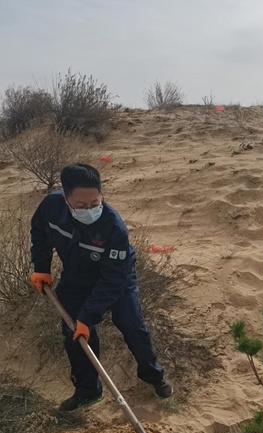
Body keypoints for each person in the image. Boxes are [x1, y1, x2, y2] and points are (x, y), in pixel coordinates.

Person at [30, 163, 173, 412]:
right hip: (76, 276)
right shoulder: (50, 207)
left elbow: (113, 280)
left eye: (95, 203)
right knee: (73, 332)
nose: (90, 210)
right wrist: (41, 267)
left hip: (116, 277)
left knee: (132, 325)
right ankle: (88, 390)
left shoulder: (113, 227)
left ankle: (154, 376)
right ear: (65, 198)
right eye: (82, 206)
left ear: (101, 195)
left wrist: (89, 315)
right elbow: (39, 233)